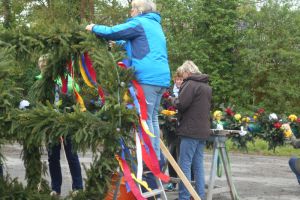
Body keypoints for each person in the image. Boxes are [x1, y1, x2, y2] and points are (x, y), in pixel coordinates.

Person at [86, 0, 170, 194]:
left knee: (146, 119)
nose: (130, 11)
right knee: (152, 118)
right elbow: (138, 44)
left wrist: (93, 28)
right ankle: (154, 157)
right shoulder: (154, 24)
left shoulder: (139, 22)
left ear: (139, 10)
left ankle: (151, 162)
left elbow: (113, 30)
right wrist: (120, 42)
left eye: (132, 8)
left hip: (147, 78)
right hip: (160, 78)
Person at [36, 56, 83, 196]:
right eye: (42, 67)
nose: (44, 69)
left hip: (67, 120)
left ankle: (78, 188)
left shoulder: (64, 78)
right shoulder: (39, 80)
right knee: (53, 157)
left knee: (72, 155)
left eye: (46, 67)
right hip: (50, 124)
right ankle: (55, 188)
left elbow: (75, 88)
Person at [174, 60, 212, 200]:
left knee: (184, 163)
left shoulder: (190, 83)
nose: (182, 77)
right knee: (198, 165)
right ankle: (199, 195)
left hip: (190, 130)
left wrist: (172, 100)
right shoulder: (206, 86)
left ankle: (184, 196)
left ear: (188, 72)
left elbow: (181, 104)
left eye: (183, 74)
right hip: (202, 130)